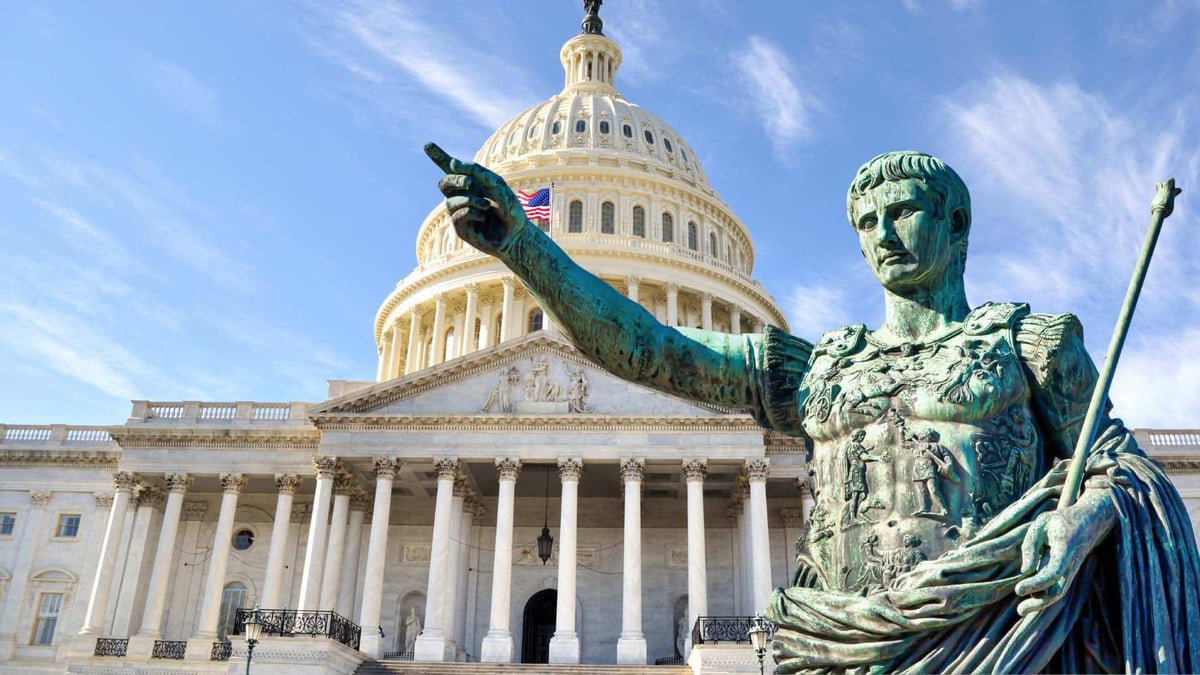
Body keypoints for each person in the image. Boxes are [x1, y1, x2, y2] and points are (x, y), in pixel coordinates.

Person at [426, 143, 1200, 672]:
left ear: (955, 222)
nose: (883, 235)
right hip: (838, 644)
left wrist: (1083, 518)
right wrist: (524, 249)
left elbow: (1120, 468)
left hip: (994, 638)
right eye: (866, 223)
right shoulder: (822, 369)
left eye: (903, 211)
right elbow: (647, 347)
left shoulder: (1028, 346)